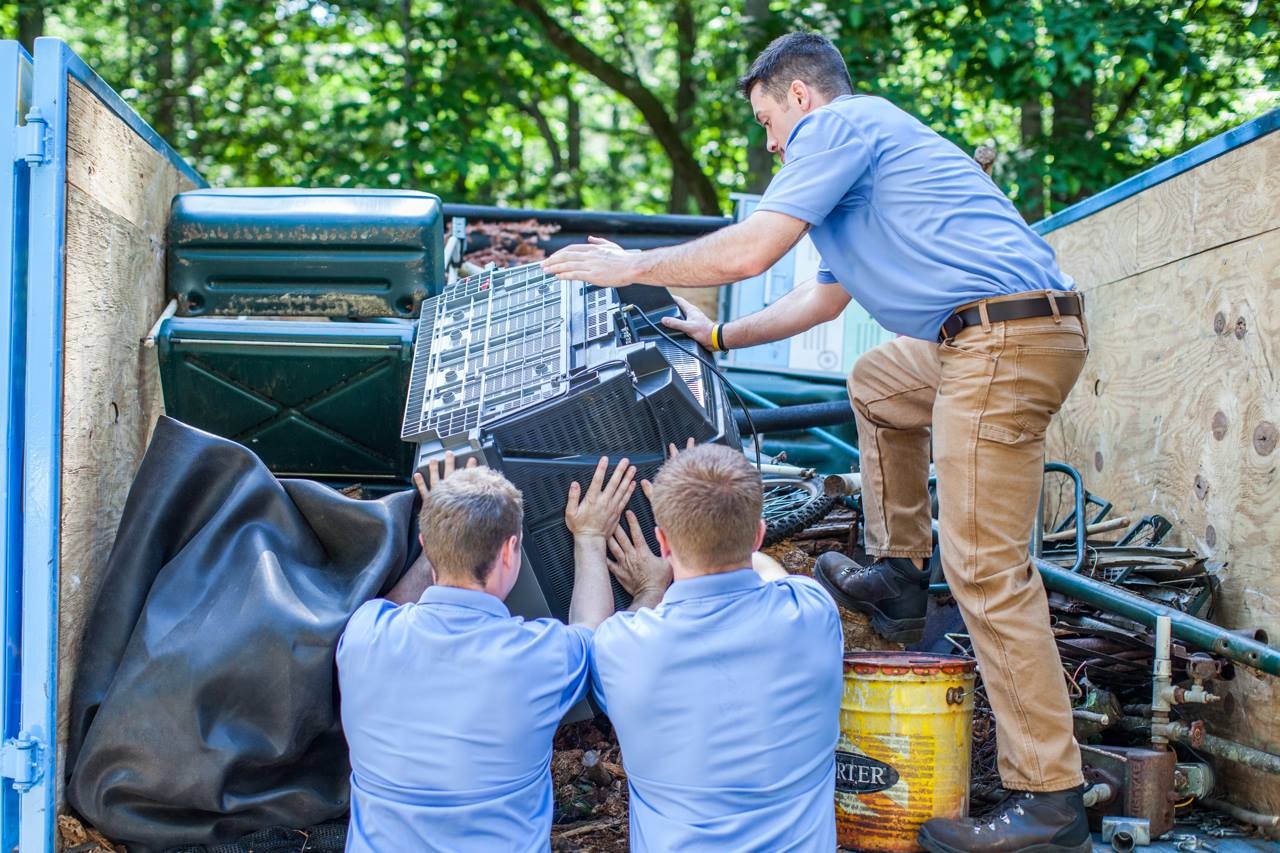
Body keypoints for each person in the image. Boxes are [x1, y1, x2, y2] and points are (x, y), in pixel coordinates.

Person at [542, 31, 1090, 853]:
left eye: (767, 120)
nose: (768, 143)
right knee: (877, 381)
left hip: (1002, 341)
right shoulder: (854, 177)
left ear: (799, 97)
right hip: (981, 337)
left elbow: (754, 246)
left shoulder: (839, 128)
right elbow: (820, 304)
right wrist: (721, 338)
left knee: (983, 567)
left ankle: (1050, 800)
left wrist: (631, 268)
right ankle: (900, 572)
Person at [335, 453, 640, 853]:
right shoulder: (541, 658)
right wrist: (590, 537)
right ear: (510, 551)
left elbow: (393, 605)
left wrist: (444, 531)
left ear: (426, 546)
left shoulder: (363, 635)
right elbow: (595, 635)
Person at [586, 443, 844, 850]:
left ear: (663, 544)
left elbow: (585, 637)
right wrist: (722, 521)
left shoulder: (625, 648)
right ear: (759, 534)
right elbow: (771, 574)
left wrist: (642, 579)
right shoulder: (813, 613)